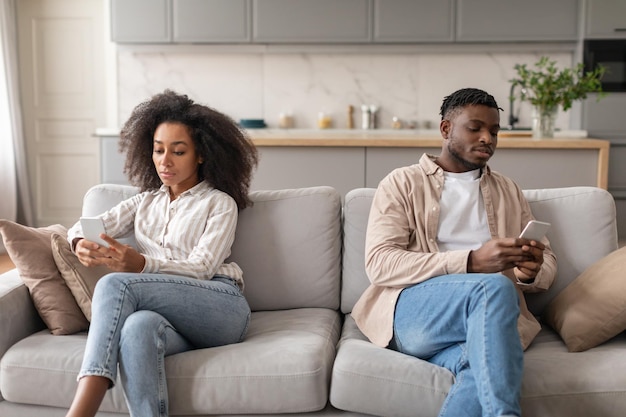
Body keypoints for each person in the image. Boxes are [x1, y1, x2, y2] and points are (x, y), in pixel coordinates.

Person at [351, 88, 557, 417]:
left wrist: (529, 272)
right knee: (493, 287)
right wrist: (472, 262)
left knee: (482, 369)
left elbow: (546, 261)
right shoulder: (402, 183)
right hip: (415, 313)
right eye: (475, 128)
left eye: (494, 131)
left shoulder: (508, 189)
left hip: (487, 322)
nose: (487, 138)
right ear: (446, 130)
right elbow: (380, 263)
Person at [64, 90, 258, 417]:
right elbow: (86, 226)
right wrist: (79, 242)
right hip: (170, 318)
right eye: (158, 150)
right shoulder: (146, 202)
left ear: (201, 155)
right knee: (137, 329)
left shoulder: (219, 203)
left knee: (114, 284)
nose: (164, 161)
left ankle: (81, 411)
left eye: (178, 151)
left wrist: (141, 264)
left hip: (221, 307)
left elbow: (202, 267)